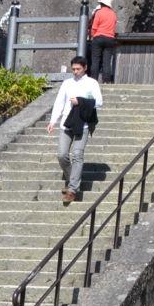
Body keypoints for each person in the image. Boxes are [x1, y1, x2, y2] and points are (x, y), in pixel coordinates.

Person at [47, 55, 103, 203]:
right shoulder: (67, 83)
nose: (76, 71)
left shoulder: (92, 83)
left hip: (83, 123)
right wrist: (53, 121)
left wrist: (81, 101)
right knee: (62, 154)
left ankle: (72, 189)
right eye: (73, 69)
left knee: (77, 154)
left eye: (78, 69)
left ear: (85, 68)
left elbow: (99, 101)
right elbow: (59, 102)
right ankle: (73, 179)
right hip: (67, 122)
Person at [87, 0, 118, 84]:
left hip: (99, 37)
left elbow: (94, 27)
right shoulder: (113, 14)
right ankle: (106, 80)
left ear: (102, 4)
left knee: (95, 60)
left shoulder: (99, 12)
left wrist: (93, 36)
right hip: (110, 38)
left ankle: (94, 80)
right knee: (107, 61)